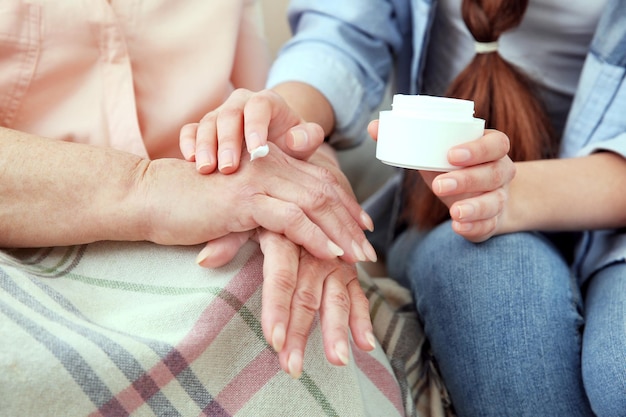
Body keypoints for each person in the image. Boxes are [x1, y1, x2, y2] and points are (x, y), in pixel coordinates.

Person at [182, 0, 626, 415]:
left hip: (605, 214)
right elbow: (341, 33)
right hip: (442, 212)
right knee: (497, 292)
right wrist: (283, 118)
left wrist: (513, 194)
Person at [0, 0, 383, 390]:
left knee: (312, 337)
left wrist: (308, 187)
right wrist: (147, 186)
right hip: (28, 256)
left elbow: (268, 127)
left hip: (222, 243)